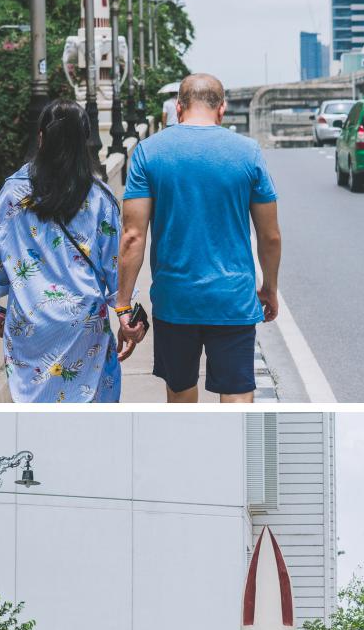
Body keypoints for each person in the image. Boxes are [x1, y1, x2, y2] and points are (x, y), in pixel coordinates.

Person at [118, 72, 282, 403]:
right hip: (232, 298)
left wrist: (123, 304)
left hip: (174, 300)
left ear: (179, 108)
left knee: (180, 398)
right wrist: (269, 288)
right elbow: (270, 236)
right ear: (222, 109)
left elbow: (133, 236)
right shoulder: (248, 152)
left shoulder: (149, 153)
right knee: (237, 396)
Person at [0, 99, 146, 403]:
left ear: (41, 138)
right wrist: (127, 313)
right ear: (84, 142)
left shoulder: (13, 193)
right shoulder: (99, 198)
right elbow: (115, 265)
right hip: (84, 325)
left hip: (29, 325)